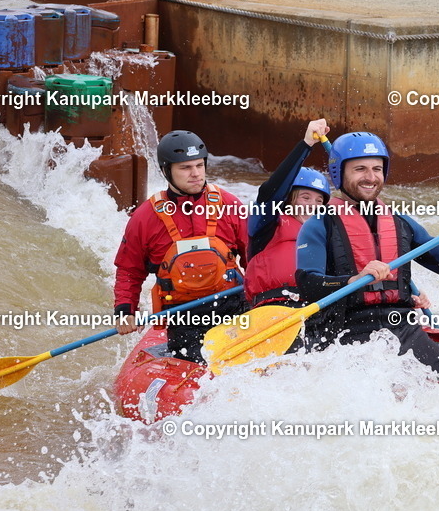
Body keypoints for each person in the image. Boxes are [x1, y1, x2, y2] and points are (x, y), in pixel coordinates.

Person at [295, 131, 439, 379]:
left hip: (403, 329)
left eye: (377, 169)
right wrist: (353, 280)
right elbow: (308, 284)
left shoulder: (401, 223)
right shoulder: (319, 224)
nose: (370, 177)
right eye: (360, 169)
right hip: (345, 333)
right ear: (338, 173)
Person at [113, 130, 249, 363]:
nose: (195, 174)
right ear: (167, 171)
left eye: (199, 165)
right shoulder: (145, 217)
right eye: (185, 168)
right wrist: (125, 311)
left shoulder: (229, 204)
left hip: (234, 305)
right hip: (184, 315)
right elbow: (129, 269)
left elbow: (254, 258)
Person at [244, 119, 331, 308]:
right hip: (272, 307)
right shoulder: (267, 224)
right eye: (305, 198)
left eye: (319, 201)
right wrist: (306, 144)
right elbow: (271, 191)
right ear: (289, 200)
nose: (313, 206)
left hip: (314, 310)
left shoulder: (327, 235)